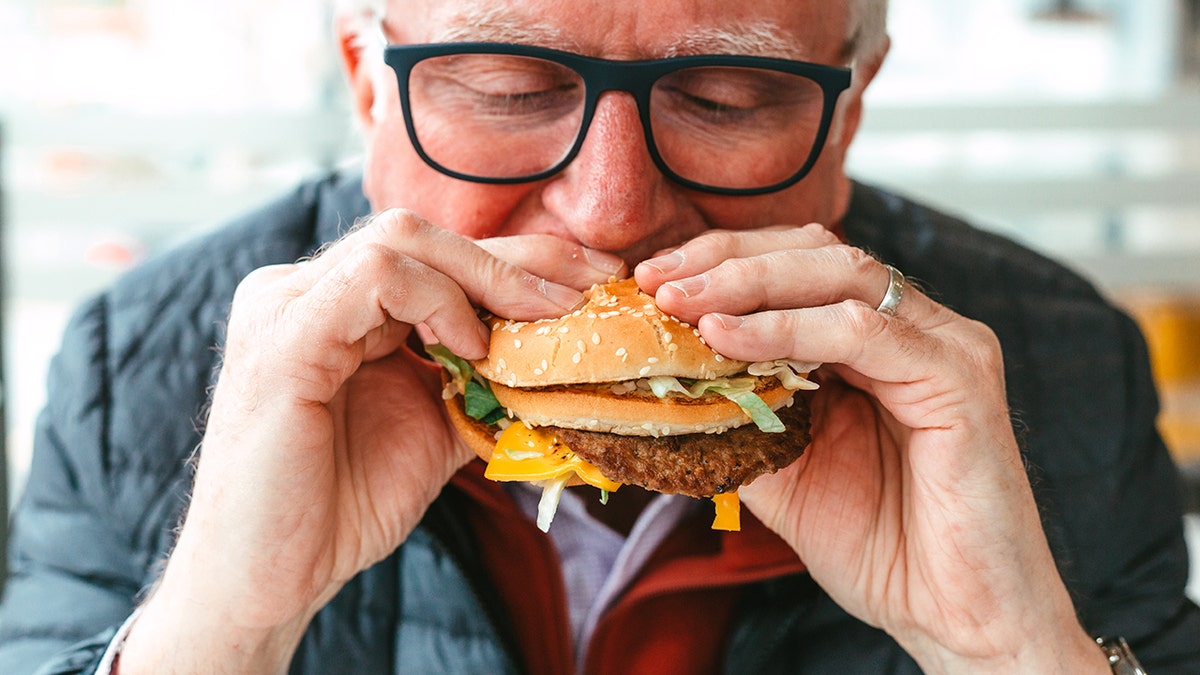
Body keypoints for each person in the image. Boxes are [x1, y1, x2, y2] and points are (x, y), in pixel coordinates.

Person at [1, 0, 1198, 672]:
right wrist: (222, 636)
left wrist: (1008, 658)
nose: (613, 208)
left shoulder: (1052, 364)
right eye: (508, 90)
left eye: (727, 99)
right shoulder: (140, 361)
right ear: (369, 81)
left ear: (852, 107)